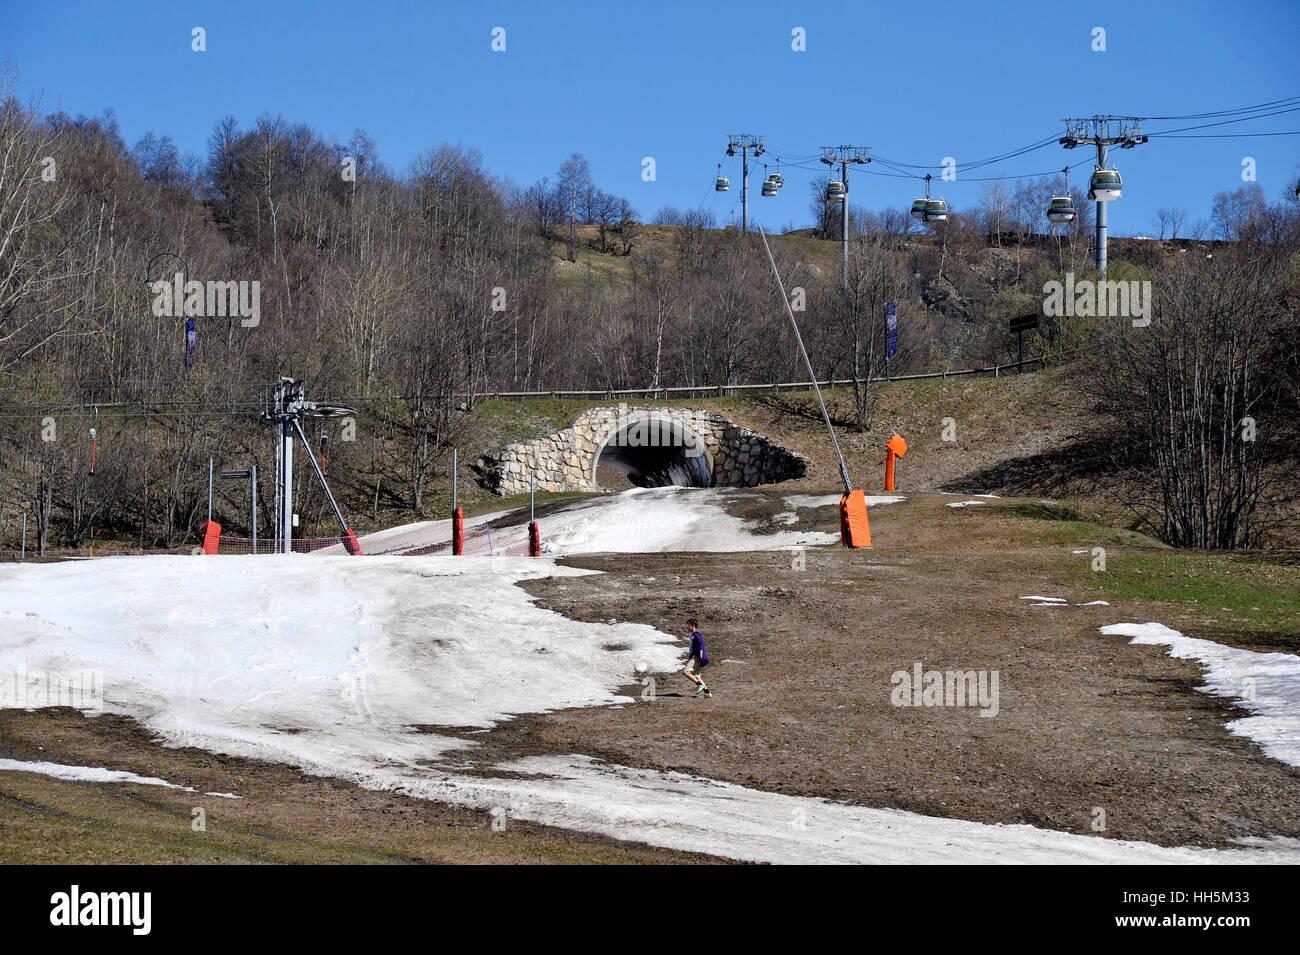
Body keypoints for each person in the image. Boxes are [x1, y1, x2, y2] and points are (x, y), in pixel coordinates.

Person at [683, 618, 711, 698]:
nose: (687, 627)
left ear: (693, 625)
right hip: (694, 656)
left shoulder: (696, 633)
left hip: (696, 657)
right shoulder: (693, 635)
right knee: (696, 676)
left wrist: (701, 654)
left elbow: (700, 643)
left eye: (688, 625)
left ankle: (699, 685)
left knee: (685, 672)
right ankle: (707, 692)